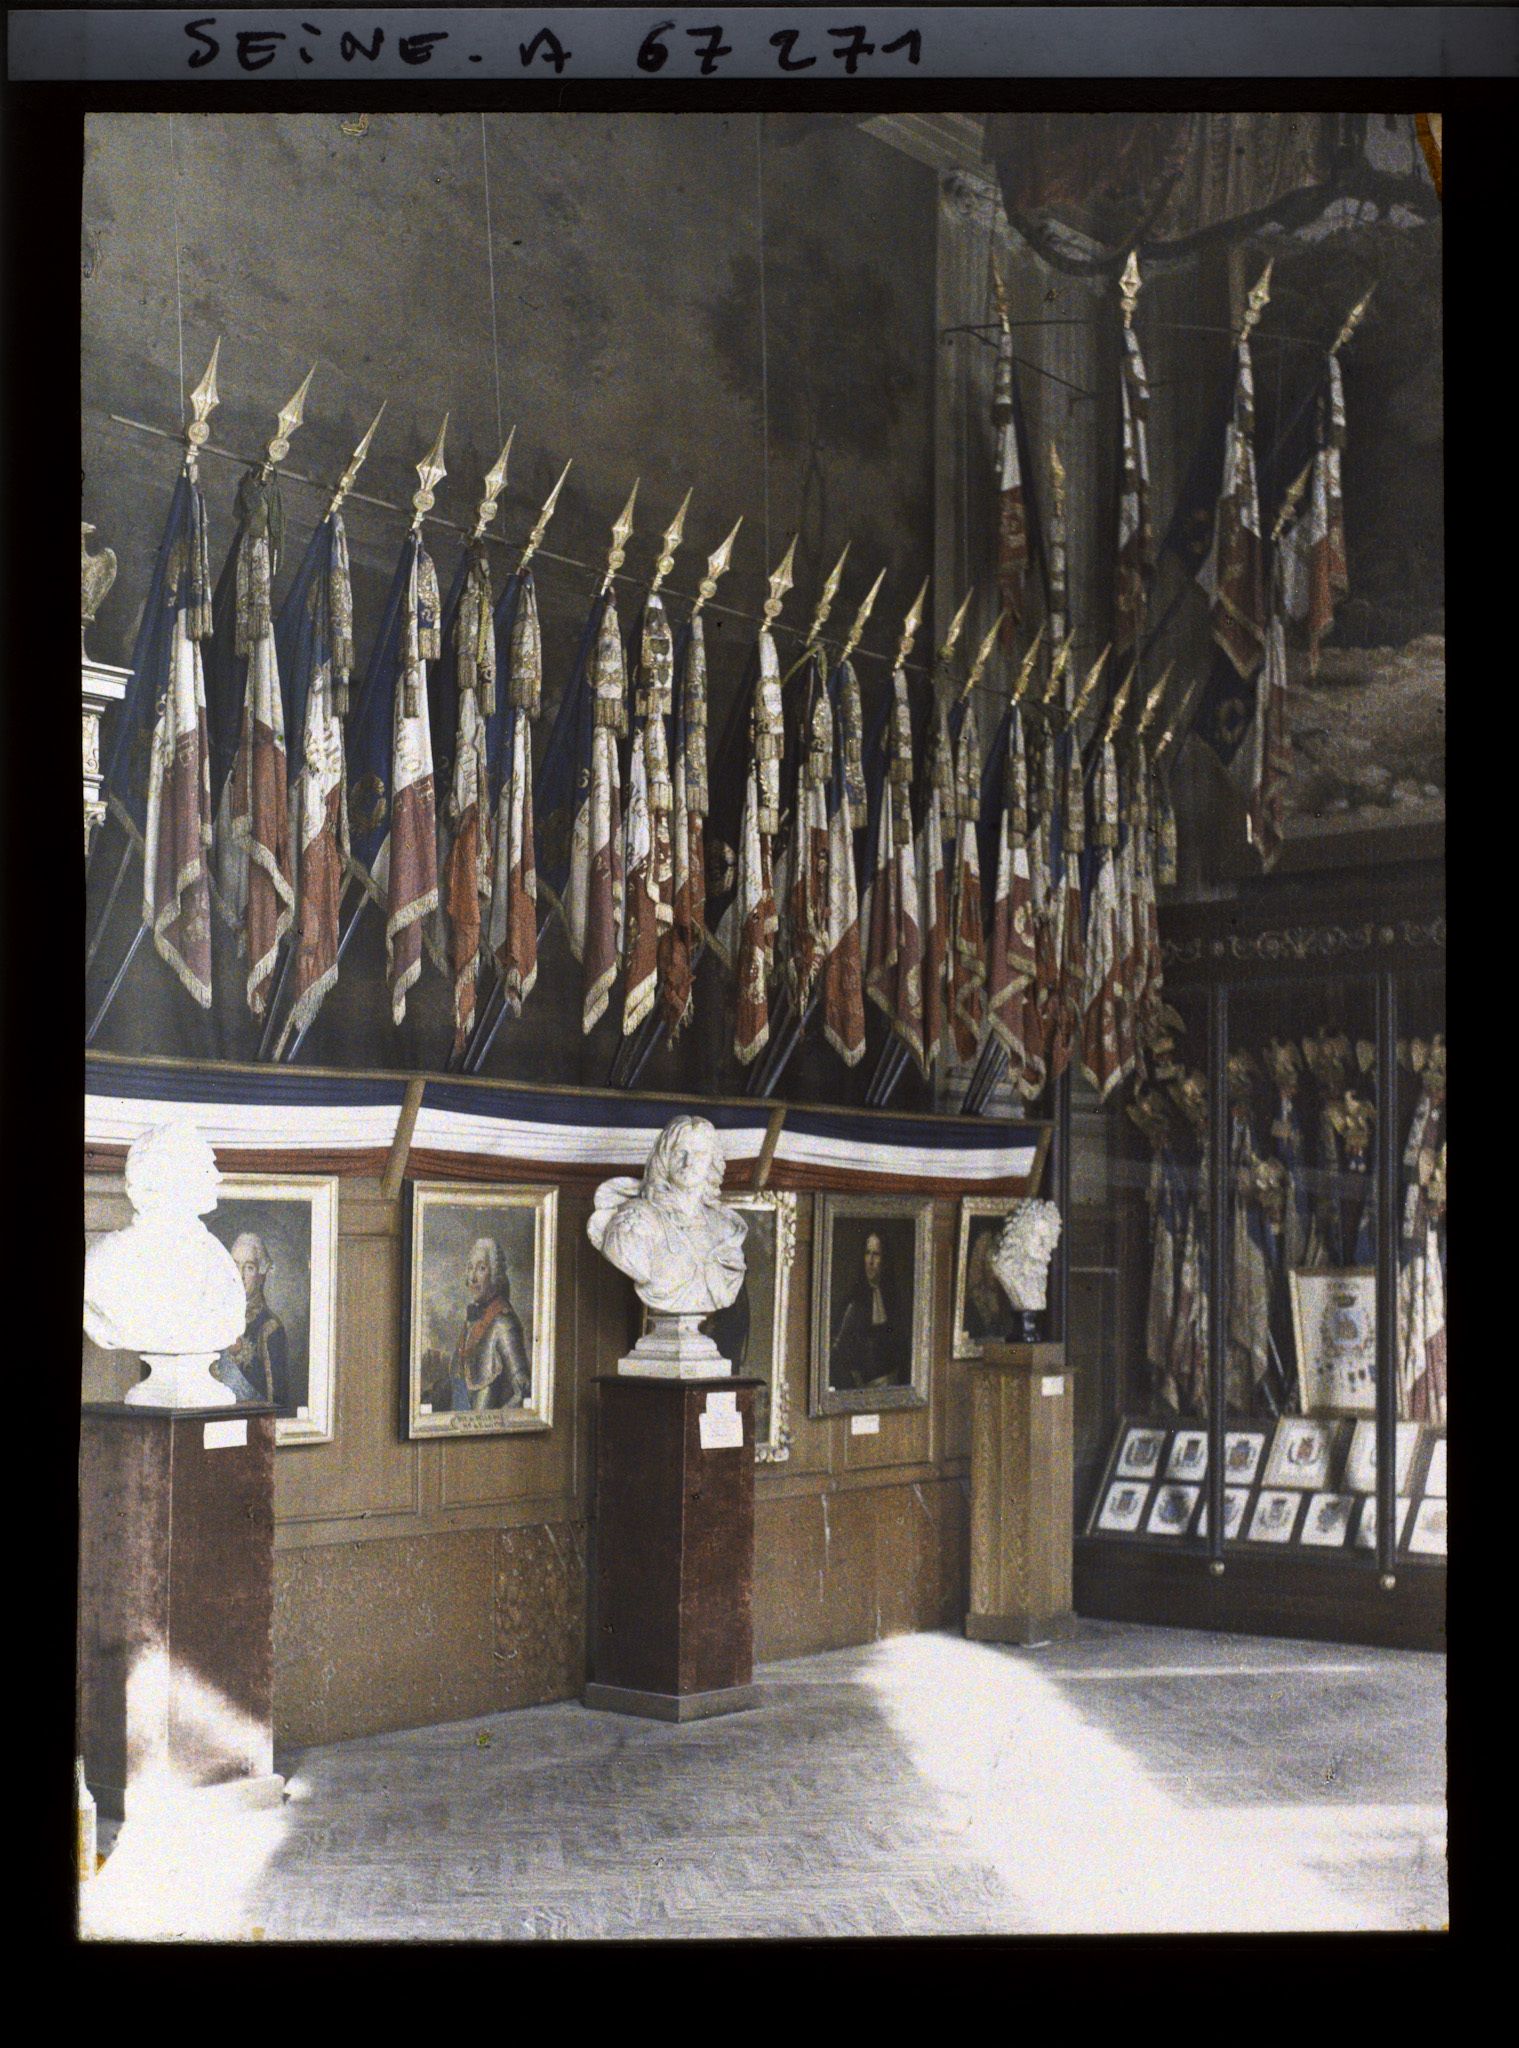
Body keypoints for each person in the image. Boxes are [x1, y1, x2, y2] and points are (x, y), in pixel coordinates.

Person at [427, 1237, 531, 1412]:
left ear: (495, 1275)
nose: (473, 1278)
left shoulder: (503, 1324)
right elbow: (460, 1382)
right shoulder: (471, 1323)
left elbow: (524, 1393)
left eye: (481, 1268)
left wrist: (492, 1422)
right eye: (470, 1268)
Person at [215, 1231, 292, 1409]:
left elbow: (276, 1400)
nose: (240, 1276)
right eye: (235, 1266)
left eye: (249, 1268)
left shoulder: (269, 1328)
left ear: (260, 1275)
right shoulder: (215, 1318)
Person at [829, 1230, 910, 1389]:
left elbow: (902, 1351)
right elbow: (837, 1354)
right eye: (867, 1254)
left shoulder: (894, 1301)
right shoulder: (852, 1303)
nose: (871, 1261)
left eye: (876, 1254)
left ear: (884, 1259)